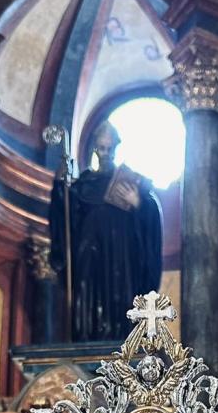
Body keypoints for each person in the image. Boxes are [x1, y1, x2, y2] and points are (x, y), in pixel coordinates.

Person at [49, 120, 163, 341]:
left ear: (117, 147)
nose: (106, 153)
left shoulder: (132, 183)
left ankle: (124, 338)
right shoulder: (82, 185)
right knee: (88, 298)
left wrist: (138, 203)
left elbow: (151, 216)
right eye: (102, 148)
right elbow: (64, 219)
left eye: (110, 148)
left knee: (122, 297)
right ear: (94, 148)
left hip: (123, 257)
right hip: (89, 255)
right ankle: (87, 338)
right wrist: (59, 187)